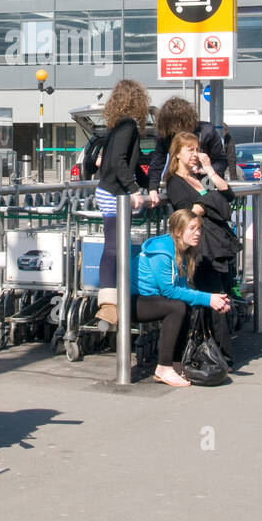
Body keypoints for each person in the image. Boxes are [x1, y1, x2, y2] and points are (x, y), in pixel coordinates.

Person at [164, 133, 240, 363]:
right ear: (177, 153)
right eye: (190, 150)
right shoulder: (175, 182)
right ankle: (221, 355)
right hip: (201, 247)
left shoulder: (200, 177)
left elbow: (227, 195)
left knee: (223, 294)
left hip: (219, 244)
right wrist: (210, 203)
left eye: (197, 149)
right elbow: (186, 212)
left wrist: (210, 171)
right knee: (212, 295)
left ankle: (219, 350)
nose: (195, 154)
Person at [135, 208, 231, 387]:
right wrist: (208, 298)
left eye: (199, 228)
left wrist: (214, 300)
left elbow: (181, 288)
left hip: (153, 299)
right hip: (134, 300)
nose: (198, 233)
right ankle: (163, 368)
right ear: (178, 232)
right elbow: (169, 291)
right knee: (177, 307)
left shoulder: (184, 251)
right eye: (192, 228)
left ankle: (177, 365)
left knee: (184, 305)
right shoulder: (163, 253)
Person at [93, 80, 148, 325]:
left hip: (109, 190)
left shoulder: (117, 126)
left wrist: (149, 184)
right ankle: (108, 304)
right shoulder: (129, 126)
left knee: (116, 245)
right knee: (114, 246)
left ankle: (113, 298)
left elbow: (131, 163)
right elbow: (119, 161)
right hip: (114, 192)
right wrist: (135, 189)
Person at [146, 97, 228, 205]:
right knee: (187, 213)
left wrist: (205, 170)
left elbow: (221, 161)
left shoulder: (207, 132)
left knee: (210, 207)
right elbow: (157, 164)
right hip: (181, 182)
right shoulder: (167, 135)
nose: (176, 130)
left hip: (207, 180)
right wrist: (153, 189)